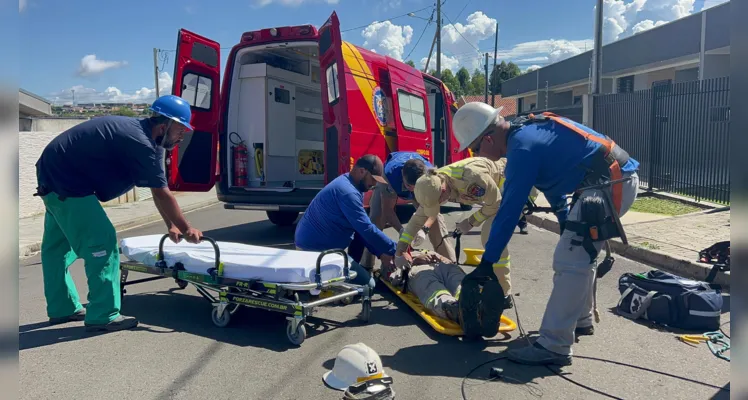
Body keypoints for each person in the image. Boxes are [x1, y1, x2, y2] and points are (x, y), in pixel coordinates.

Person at [452, 101, 640, 366]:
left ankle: (554, 346)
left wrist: (487, 262)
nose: (475, 152)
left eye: (475, 146)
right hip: (607, 179)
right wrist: (565, 220)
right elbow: (553, 183)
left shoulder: (523, 147)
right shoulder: (525, 133)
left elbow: (509, 211)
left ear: (490, 138)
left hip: (609, 184)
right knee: (578, 254)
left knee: (570, 261)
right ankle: (581, 320)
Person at [34, 94, 203, 332]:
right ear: (164, 126)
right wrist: (187, 229)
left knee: (56, 248)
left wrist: (171, 225)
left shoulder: (142, 136)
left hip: (51, 176)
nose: (182, 135)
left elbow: (157, 194)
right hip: (69, 185)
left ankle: (62, 308)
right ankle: (103, 314)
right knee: (101, 242)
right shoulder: (141, 143)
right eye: (180, 129)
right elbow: (164, 194)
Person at [396, 156, 513, 310]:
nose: (438, 205)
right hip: (493, 195)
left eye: (439, 201)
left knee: (491, 235)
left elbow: (495, 204)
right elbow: (417, 219)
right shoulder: (432, 185)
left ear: (443, 191)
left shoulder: (472, 178)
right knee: (490, 235)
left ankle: (505, 294)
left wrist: (471, 222)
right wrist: (401, 249)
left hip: (512, 181)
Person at [294, 155, 396, 288]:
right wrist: (395, 250)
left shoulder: (351, 184)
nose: (374, 184)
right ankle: (334, 285)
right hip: (316, 253)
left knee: (360, 233)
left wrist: (382, 253)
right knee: (368, 286)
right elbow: (367, 229)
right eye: (373, 179)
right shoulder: (347, 192)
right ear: (362, 171)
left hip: (319, 246)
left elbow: (361, 229)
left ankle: (346, 275)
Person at [361, 151, 456, 270]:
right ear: (402, 176)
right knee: (376, 218)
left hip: (422, 185)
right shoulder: (392, 175)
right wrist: (402, 231)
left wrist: (424, 229)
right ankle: (366, 265)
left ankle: (450, 264)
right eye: (408, 186)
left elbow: (433, 210)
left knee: (436, 221)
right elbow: (387, 211)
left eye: (414, 188)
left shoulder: (430, 178)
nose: (410, 190)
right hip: (391, 177)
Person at [382, 250, 463, 322]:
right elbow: (393, 277)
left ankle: (469, 299)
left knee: (458, 280)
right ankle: (452, 309)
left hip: (440, 265)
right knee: (433, 286)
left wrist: (442, 258)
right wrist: (413, 261)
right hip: (417, 269)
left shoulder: (423, 250)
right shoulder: (389, 255)